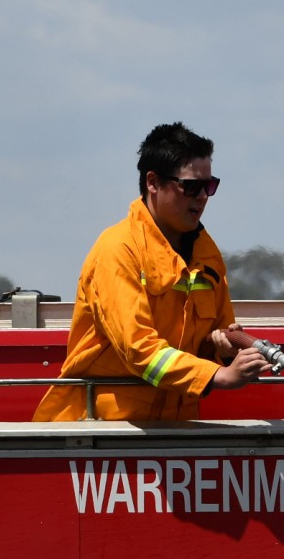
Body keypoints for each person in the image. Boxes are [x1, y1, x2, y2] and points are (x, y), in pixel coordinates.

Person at [33, 123, 269, 422]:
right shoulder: (118, 249)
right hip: (102, 432)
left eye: (209, 186)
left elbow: (213, 337)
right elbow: (139, 350)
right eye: (191, 186)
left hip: (173, 430)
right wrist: (218, 376)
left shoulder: (207, 256)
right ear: (153, 182)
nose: (202, 197)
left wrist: (225, 350)